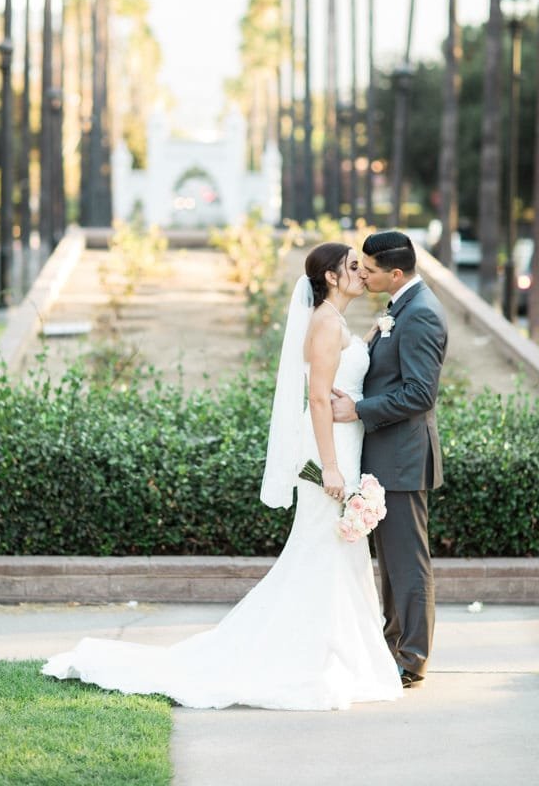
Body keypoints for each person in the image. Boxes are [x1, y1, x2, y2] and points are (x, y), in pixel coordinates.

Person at [42, 242, 402, 709]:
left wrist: (372, 338)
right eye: (352, 267)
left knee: (335, 552)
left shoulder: (336, 322)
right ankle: (309, 657)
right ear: (331, 277)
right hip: (328, 454)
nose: (362, 273)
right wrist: (330, 466)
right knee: (322, 548)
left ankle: (338, 655)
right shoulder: (325, 323)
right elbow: (315, 400)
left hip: (345, 445)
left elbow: (334, 384)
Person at [332, 231, 447, 688]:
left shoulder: (420, 315)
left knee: (408, 563)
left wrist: (357, 410)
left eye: (370, 269)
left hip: (402, 459)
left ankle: (413, 658)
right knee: (392, 565)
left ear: (394, 273)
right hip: (386, 458)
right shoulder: (401, 308)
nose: (362, 273)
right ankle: (393, 644)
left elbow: (420, 393)